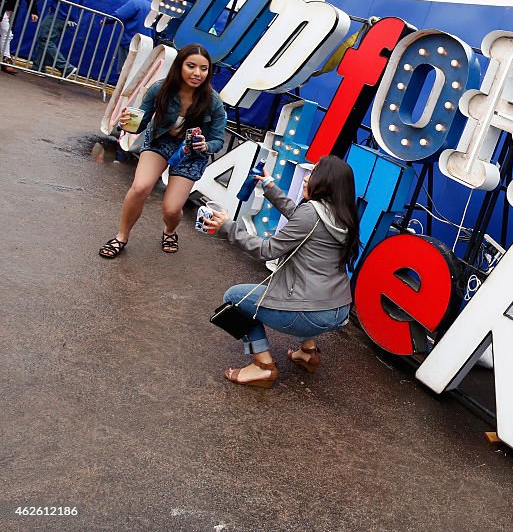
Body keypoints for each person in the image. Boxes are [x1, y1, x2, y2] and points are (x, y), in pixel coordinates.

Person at [201, 155, 360, 389]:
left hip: (309, 314)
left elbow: (267, 250)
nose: (306, 178)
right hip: (337, 311)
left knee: (235, 297)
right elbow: (301, 218)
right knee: (300, 296)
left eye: (313, 173)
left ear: (326, 182)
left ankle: (263, 367)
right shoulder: (342, 215)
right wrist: (269, 186)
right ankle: (308, 353)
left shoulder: (311, 214)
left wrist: (228, 228)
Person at [98, 43, 226, 258]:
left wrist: (205, 145)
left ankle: (169, 231)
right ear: (179, 66)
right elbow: (139, 124)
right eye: (191, 66)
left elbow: (217, 140)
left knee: (172, 209)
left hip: (191, 153)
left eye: (203, 69)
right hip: (159, 141)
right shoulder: (160, 89)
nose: (197, 73)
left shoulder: (213, 101)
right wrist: (126, 122)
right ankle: (121, 237)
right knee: (140, 187)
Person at [30, 0, 88, 76]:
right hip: (67, 15)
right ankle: (38, 68)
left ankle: (65, 67)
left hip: (60, 13)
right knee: (46, 39)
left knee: (44, 39)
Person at [111, 0, 155, 70]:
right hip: (147, 46)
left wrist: (106, 20)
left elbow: (120, 15)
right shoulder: (156, 8)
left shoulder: (136, 3)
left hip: (130, 41)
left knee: (124, 69)